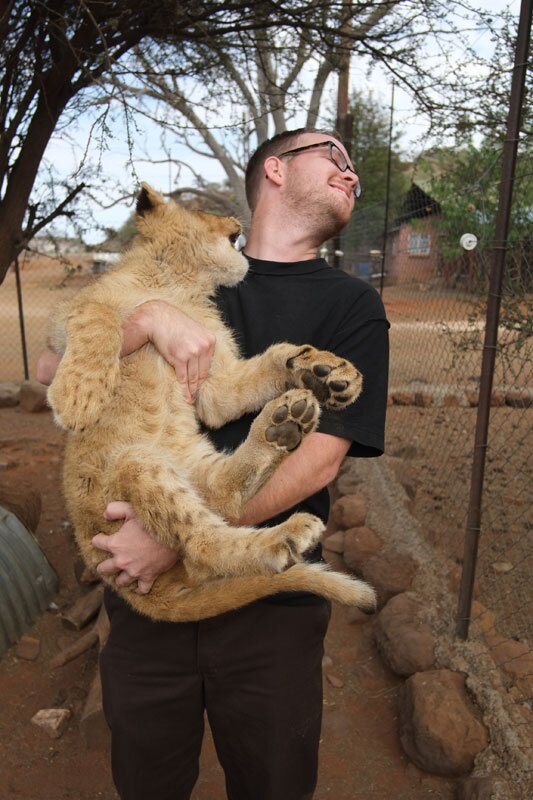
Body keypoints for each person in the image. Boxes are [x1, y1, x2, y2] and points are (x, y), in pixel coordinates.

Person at [38, 128, 389, 800]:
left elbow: (316, 464)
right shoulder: (184, 269)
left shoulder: (351, 307)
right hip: (145, 598)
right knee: (147, 781)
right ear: (276, 171)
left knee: (273, 784)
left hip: (264, 607)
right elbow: (58, 373)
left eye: (354, 167)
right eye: (334, 157)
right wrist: (145, 321)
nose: (351, 174)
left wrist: (174, 537)